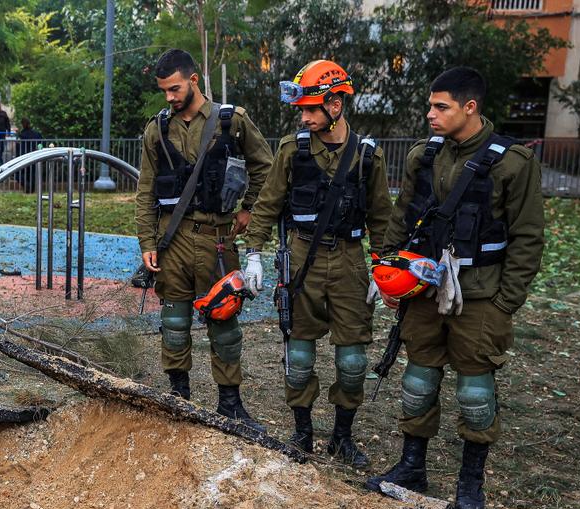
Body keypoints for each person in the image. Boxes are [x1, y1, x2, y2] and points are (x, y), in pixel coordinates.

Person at [365, 67, 544, 509]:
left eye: (440, 106)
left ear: (470, 108)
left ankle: (470, 482)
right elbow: (402, 217)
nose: (430, 114)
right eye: (430, 105)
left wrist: (507, 303)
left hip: (481, 295)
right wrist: (386, 269)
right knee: (417, 380)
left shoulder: (512, 162)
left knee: (475, 392)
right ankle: (412, 467)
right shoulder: (423, 157)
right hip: (423, 289)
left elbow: (528, 239)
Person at [243, 60, 393, 468]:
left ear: (336, 104)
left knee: (352, 361)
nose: (305, 117)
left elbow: (382, 216)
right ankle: (303, 432)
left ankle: (342, 437)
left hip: (349, 262)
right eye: (303, 110)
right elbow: (268, 203)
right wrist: (252, 253)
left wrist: (384, 265)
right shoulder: (293, 149)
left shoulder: (366, 156)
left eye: (312, 109)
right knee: (299, 356)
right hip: (302, 257)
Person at [135, 48, 273, 428]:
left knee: (224, 320)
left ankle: (230, 402)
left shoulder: (232, 123)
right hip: (172, 240)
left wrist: (249, 211)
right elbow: (145, 191)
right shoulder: (156, 130)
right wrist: (147, 242)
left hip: (217, 239)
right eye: (164, 90)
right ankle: (179, 397)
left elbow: (267, 171)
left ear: (193, 81)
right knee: (175, 323)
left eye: (175, 88)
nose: (169, 97)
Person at [17, 118, 43, 192]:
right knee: (32, 174)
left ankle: (27, 186)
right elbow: (40, 143)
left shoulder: (22, 135)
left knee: (19, 173)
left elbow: (18, 146)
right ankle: (31, 189)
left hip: (24, 156)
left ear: (22, 124)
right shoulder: (36, 134)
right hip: (34, 155)